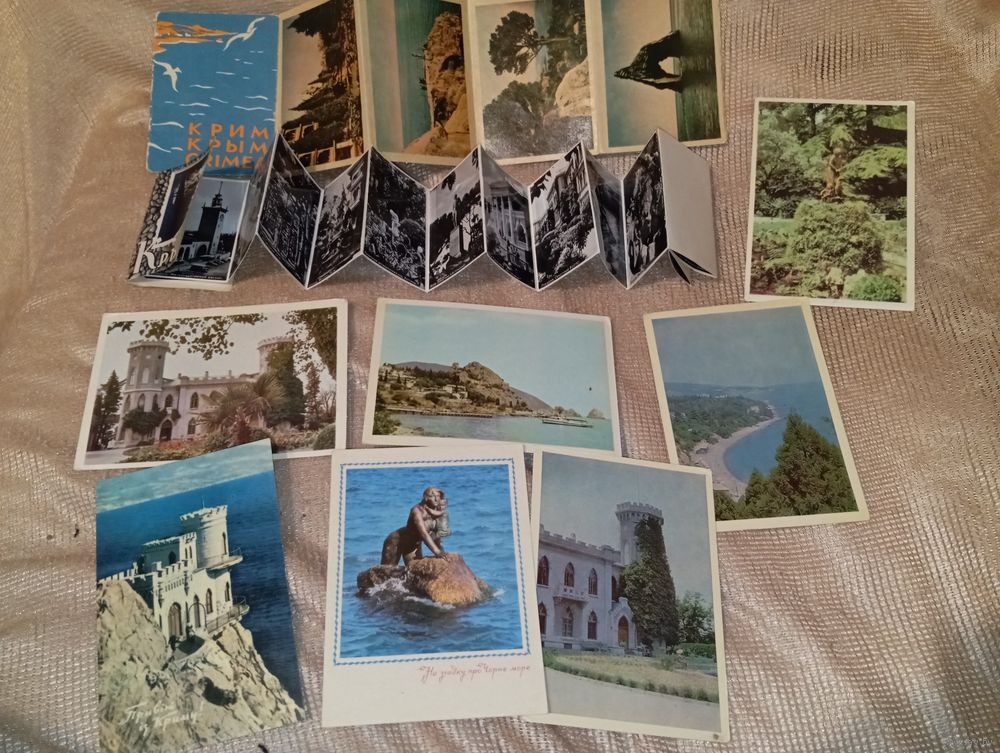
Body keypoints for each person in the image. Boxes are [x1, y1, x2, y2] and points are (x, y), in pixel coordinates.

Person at [380, 487, 451, 566]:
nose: (436, 499)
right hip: (397, 541)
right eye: (433, 496)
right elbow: (423, 533)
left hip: (414, 544)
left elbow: (435, 534)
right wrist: (437, 552)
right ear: (425, 498)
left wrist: (441, 552)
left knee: (414, 570)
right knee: (387, 570)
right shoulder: (416, 510)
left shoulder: (436, 510)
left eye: (438, 496)